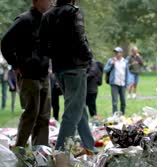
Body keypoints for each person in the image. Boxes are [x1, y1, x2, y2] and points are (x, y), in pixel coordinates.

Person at [40, 0, 95, 152]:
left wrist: (56, 57)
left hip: (59, 68)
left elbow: (43, 45)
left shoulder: (47, 14)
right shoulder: (72, 12)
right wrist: (89, 56)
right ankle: (60, 152)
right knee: (72, 112)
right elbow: (80, 38)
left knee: (77, 107)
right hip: (75, 67)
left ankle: (89, 145)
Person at [1, 0, 52, 147]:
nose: (50, 1)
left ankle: (41, 152)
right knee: (31, 114)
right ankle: (20, 149)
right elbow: (5, 43)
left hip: (44, 75)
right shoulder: (24, 20)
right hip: (29, 75)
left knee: (44, 116)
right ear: (36, 1)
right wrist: (16, 65)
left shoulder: (47, 20)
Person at [104, 47, 130, 115]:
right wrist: (111, 65)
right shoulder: (111, 60)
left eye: (118, 52)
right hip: (114, 83)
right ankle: (115, 116)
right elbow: (105, 70)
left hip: (123, 84)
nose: (116, 54)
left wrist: (127, 83)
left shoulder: (125, 61)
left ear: (121, 53)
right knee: (115, 102)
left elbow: (127, 73)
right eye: (115, 52)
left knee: (123, 102)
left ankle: (122, 115)